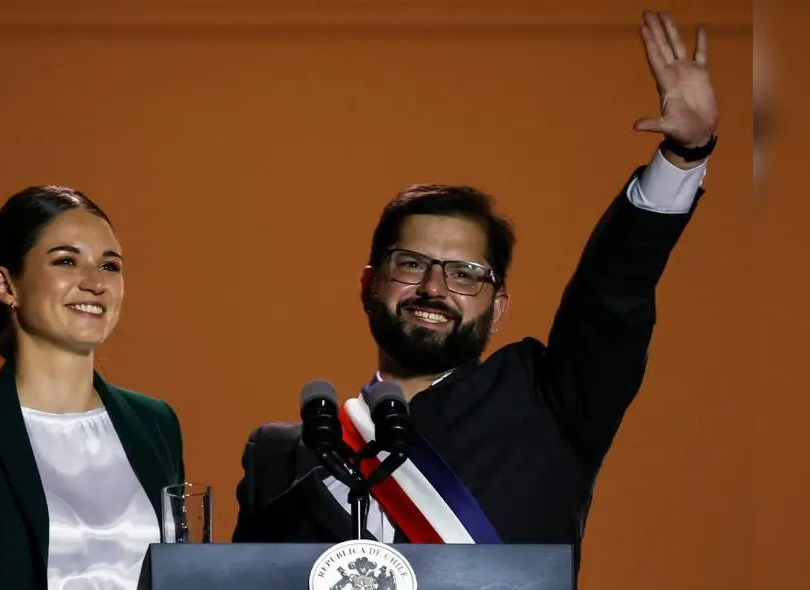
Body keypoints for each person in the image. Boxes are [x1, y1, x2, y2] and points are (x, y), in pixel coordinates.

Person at [231, 10, 718, 574]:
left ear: (498, 305)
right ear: (369, 284)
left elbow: (610, 297)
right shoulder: (283, 454)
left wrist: (683, 157)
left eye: (464, 273)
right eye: (412, 263)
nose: (435, 287)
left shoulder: (547, 402)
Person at [0, 186, 184, 589]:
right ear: (7, 286)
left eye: (110, 266)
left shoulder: (155, 423)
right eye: (66, 261)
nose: (95, 282)